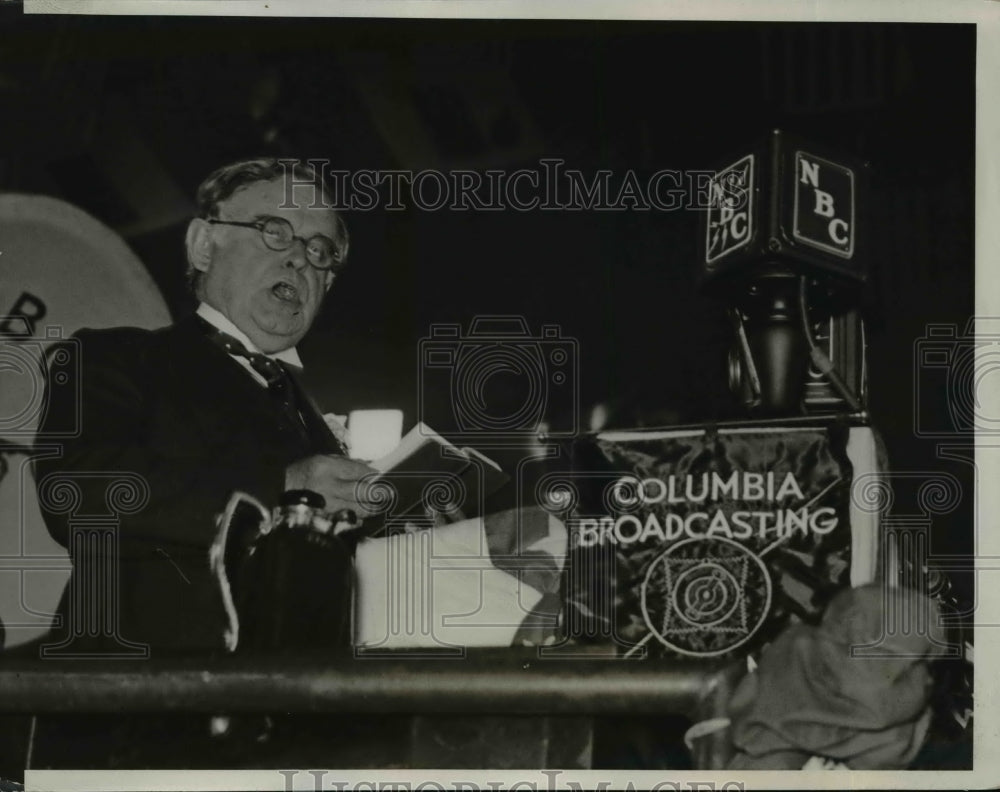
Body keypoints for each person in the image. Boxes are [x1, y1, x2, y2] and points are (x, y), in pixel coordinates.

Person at [34, 157, 376, 655]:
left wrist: (467, 540)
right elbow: (78, 493)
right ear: (203, 245)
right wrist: (284, 487)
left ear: (326, 285)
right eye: (274, 231)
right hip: (146, 705)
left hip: (302, 708)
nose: (299, 258)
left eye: (319, 250)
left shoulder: (312, 418)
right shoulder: (118, 357)